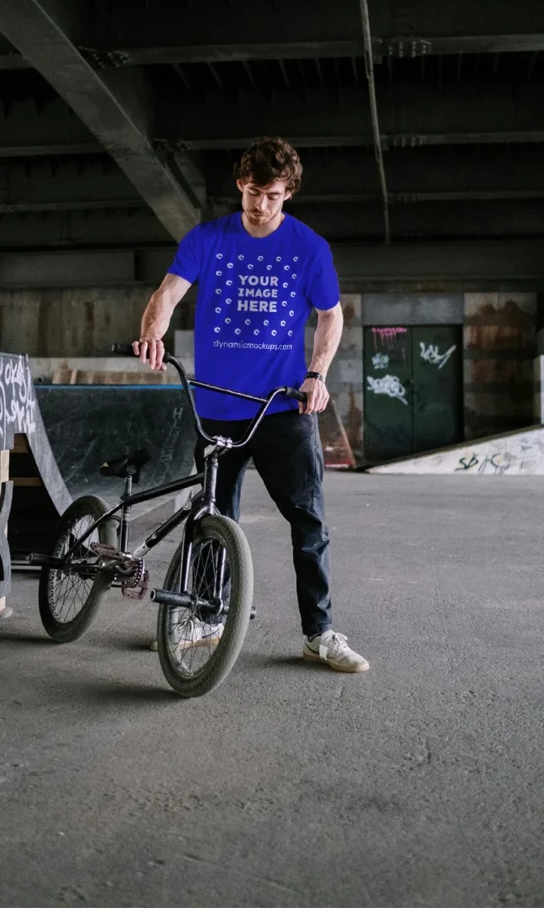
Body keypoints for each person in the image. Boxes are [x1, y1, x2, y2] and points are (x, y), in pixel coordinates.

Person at [134, 136, 368, 674]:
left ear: (288, 194)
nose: (260, 205)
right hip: (217, 408)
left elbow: (331, 316)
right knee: (214, 518)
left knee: (308, 522)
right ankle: (209, 617)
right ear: (241, 185)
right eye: (253, 192)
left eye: (272, 195)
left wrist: (317, 375)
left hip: (283, 410)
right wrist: (152, 332)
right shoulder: (208, 239)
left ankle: (319, 633)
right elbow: (168, 292)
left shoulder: (309, 248)